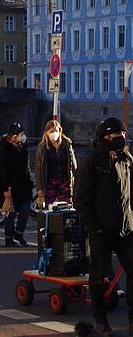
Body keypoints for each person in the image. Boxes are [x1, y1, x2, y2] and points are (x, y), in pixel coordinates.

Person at [74, 117, 133, 336]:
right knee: (98, 277)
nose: (122, 138)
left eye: (124, 134)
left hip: (126, 228)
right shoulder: (92, 161)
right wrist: (95, 227)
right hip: (101, 230)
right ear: (105, 136)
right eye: (117, 134)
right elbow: (80, 199)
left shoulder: (126, 158)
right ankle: (101, 320)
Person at [0, 122, 33, 247]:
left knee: (25, 209)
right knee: (10, 213)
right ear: (13, 136)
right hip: (10, 186)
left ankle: (19, 233)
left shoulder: (23, 147)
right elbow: (2, 170)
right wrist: (5, 188)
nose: (22, 136)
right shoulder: (4, 148)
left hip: (24, 185)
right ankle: (8, 238)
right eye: (20, 134)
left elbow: (26, 166)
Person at [34, 120, 77, 207]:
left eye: (56, 131)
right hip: (50, 182)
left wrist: (75, 182)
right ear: (46, 133)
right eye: (51, 131)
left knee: (66, 207)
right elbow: (38, 168)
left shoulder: (66, 144)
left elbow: (73, 164)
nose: (54, 134)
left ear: (60, 131)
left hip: (65, 182)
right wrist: (39, 189)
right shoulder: (42, 148)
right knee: (50, 208)